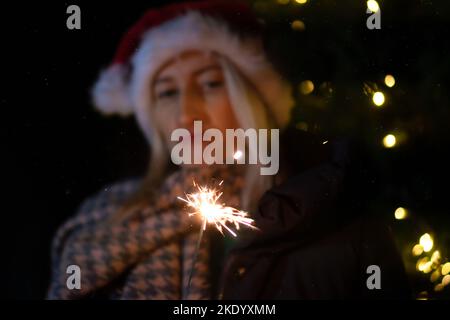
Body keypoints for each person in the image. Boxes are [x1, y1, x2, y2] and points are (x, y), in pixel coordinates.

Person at [47, 0, 410, 299]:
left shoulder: (338, 227)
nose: (187, 112)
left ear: (250, 98)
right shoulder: (102, 221)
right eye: (167, 92)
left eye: (209, 83)